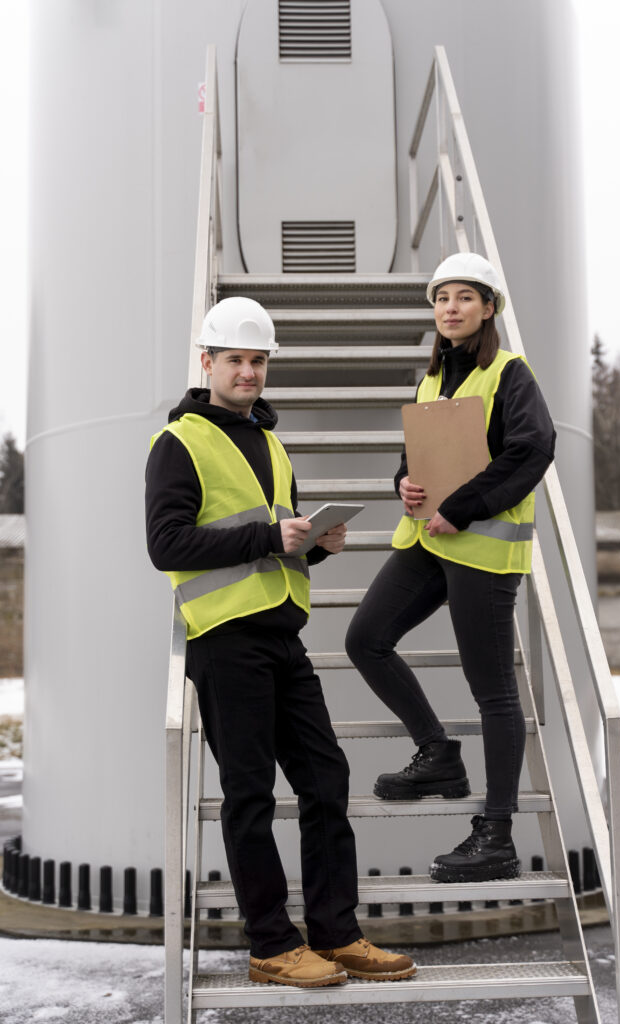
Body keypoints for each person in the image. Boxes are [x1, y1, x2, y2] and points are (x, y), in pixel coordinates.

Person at [145, 296, 415, 988]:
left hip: (281, 635)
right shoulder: (179, 443)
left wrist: (316, 543)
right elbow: (166, 544)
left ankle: (336, 933)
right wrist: (273, 535)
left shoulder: (268, 441)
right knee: (250, 794)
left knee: (326, 778)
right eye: (235, 359)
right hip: (224, 640)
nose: (248, 372)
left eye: (258, 361)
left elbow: (277, 539)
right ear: (207, 363)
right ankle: (270, 944)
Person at [345, 253, 556, 883]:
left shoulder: (510, 374)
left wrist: (462, 508)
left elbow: (532, 449)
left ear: (488, 308)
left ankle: (497, 834)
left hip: (482, 550)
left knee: (493, 692)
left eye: (464, 297)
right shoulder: (432, 379)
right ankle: (437, 751)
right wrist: (404, 483)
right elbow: (414, 455)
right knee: (365, 639)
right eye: (442, 298)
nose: (450, 308)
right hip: (427, 541)